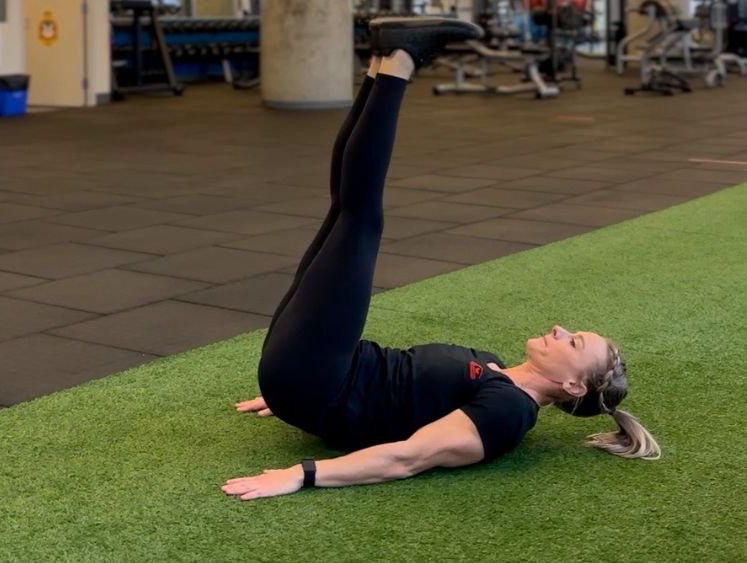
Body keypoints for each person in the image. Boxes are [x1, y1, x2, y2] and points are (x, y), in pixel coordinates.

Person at [222, 17, 661, 502]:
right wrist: (289, 396)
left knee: (361, 219)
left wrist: (302, 473)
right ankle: (382, 60)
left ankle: (401, 59)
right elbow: (400, 389)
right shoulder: (493, 367)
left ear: (573, 385)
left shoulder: (509, 414)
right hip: (315, 373)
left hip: (318, 379)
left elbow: (410, 456)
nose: (560, 329)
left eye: (574, 341)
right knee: (345, 209)